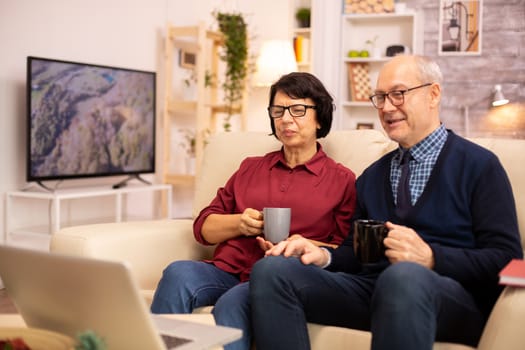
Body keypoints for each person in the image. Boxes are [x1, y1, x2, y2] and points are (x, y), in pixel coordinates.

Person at [250, 55, 523, 350]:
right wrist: (322, 255)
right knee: (271, 271)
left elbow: (508, 260)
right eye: (379, 97)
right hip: (373, 291)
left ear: (433, 94)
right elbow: (356, 256)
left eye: (398, 94)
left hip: (450, 299)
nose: (387, 107)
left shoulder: (479, 166)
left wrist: (432, 257)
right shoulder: (372, 176)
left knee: (403, 277)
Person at [150, 72, 357, 350]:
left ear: (319, 117)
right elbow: (203, 228)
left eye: (298, 110)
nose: (285, 119)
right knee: (178, 273)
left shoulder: (341, 180)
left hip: (278, 278)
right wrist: (240, 224)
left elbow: (343, 252)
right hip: (228, 269)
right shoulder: (251, 167)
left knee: (233, 303)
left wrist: (301, 246)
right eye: (278, 110)